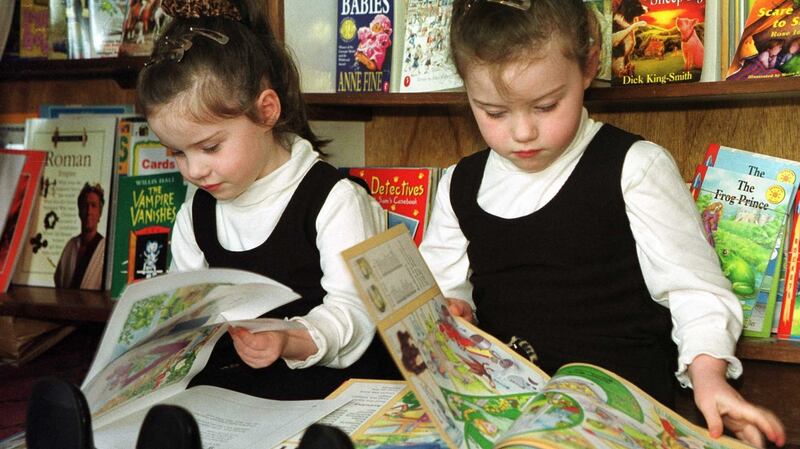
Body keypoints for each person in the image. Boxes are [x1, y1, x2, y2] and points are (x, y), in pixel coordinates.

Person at [419, 0, 785, 447]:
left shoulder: (634, 167)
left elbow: (695, 291)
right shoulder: (460, 183)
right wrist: (456, 308)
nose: (522, 132)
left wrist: (709, 378)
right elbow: (440, 287)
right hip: (509, 414)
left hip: (619, 418)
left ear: (589, 66)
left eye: (546, 105)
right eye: (494, 112)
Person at [136, 0, 399, 400]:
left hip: (325, 384)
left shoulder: (332, 200)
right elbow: (186, 308)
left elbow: (357, 312)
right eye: (177, 153)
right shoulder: (196, 211)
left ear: (266, 111)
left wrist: (289, 338)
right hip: (238, 386)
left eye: (209, 147)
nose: (194, 170)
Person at [54, 183, 105, 290]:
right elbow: (59, 281)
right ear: (79, 211)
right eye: (85, 206)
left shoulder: (104, 249)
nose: (89, 211)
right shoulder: (71, 246)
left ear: (100, 213)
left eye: (93, 206)